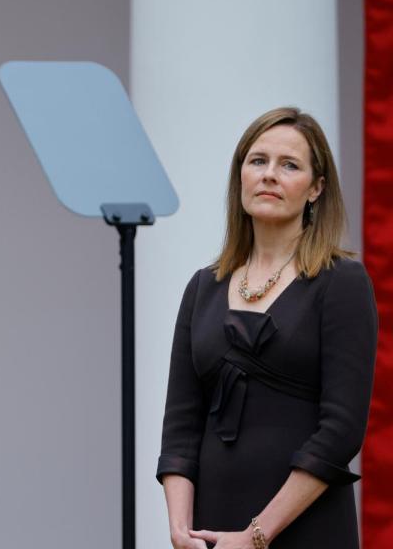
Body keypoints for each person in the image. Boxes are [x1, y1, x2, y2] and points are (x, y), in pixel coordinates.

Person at [157, 107, 377, 548]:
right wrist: (180, 530)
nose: (270, 175)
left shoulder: (342, 282)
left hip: (306, 529)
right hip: (213, 530)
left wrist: (256, 536)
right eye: (258, 161)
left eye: (289, 165)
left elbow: (340, 431)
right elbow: (180, 427)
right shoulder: (203, 286)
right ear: (240, 175)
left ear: (316, 188)